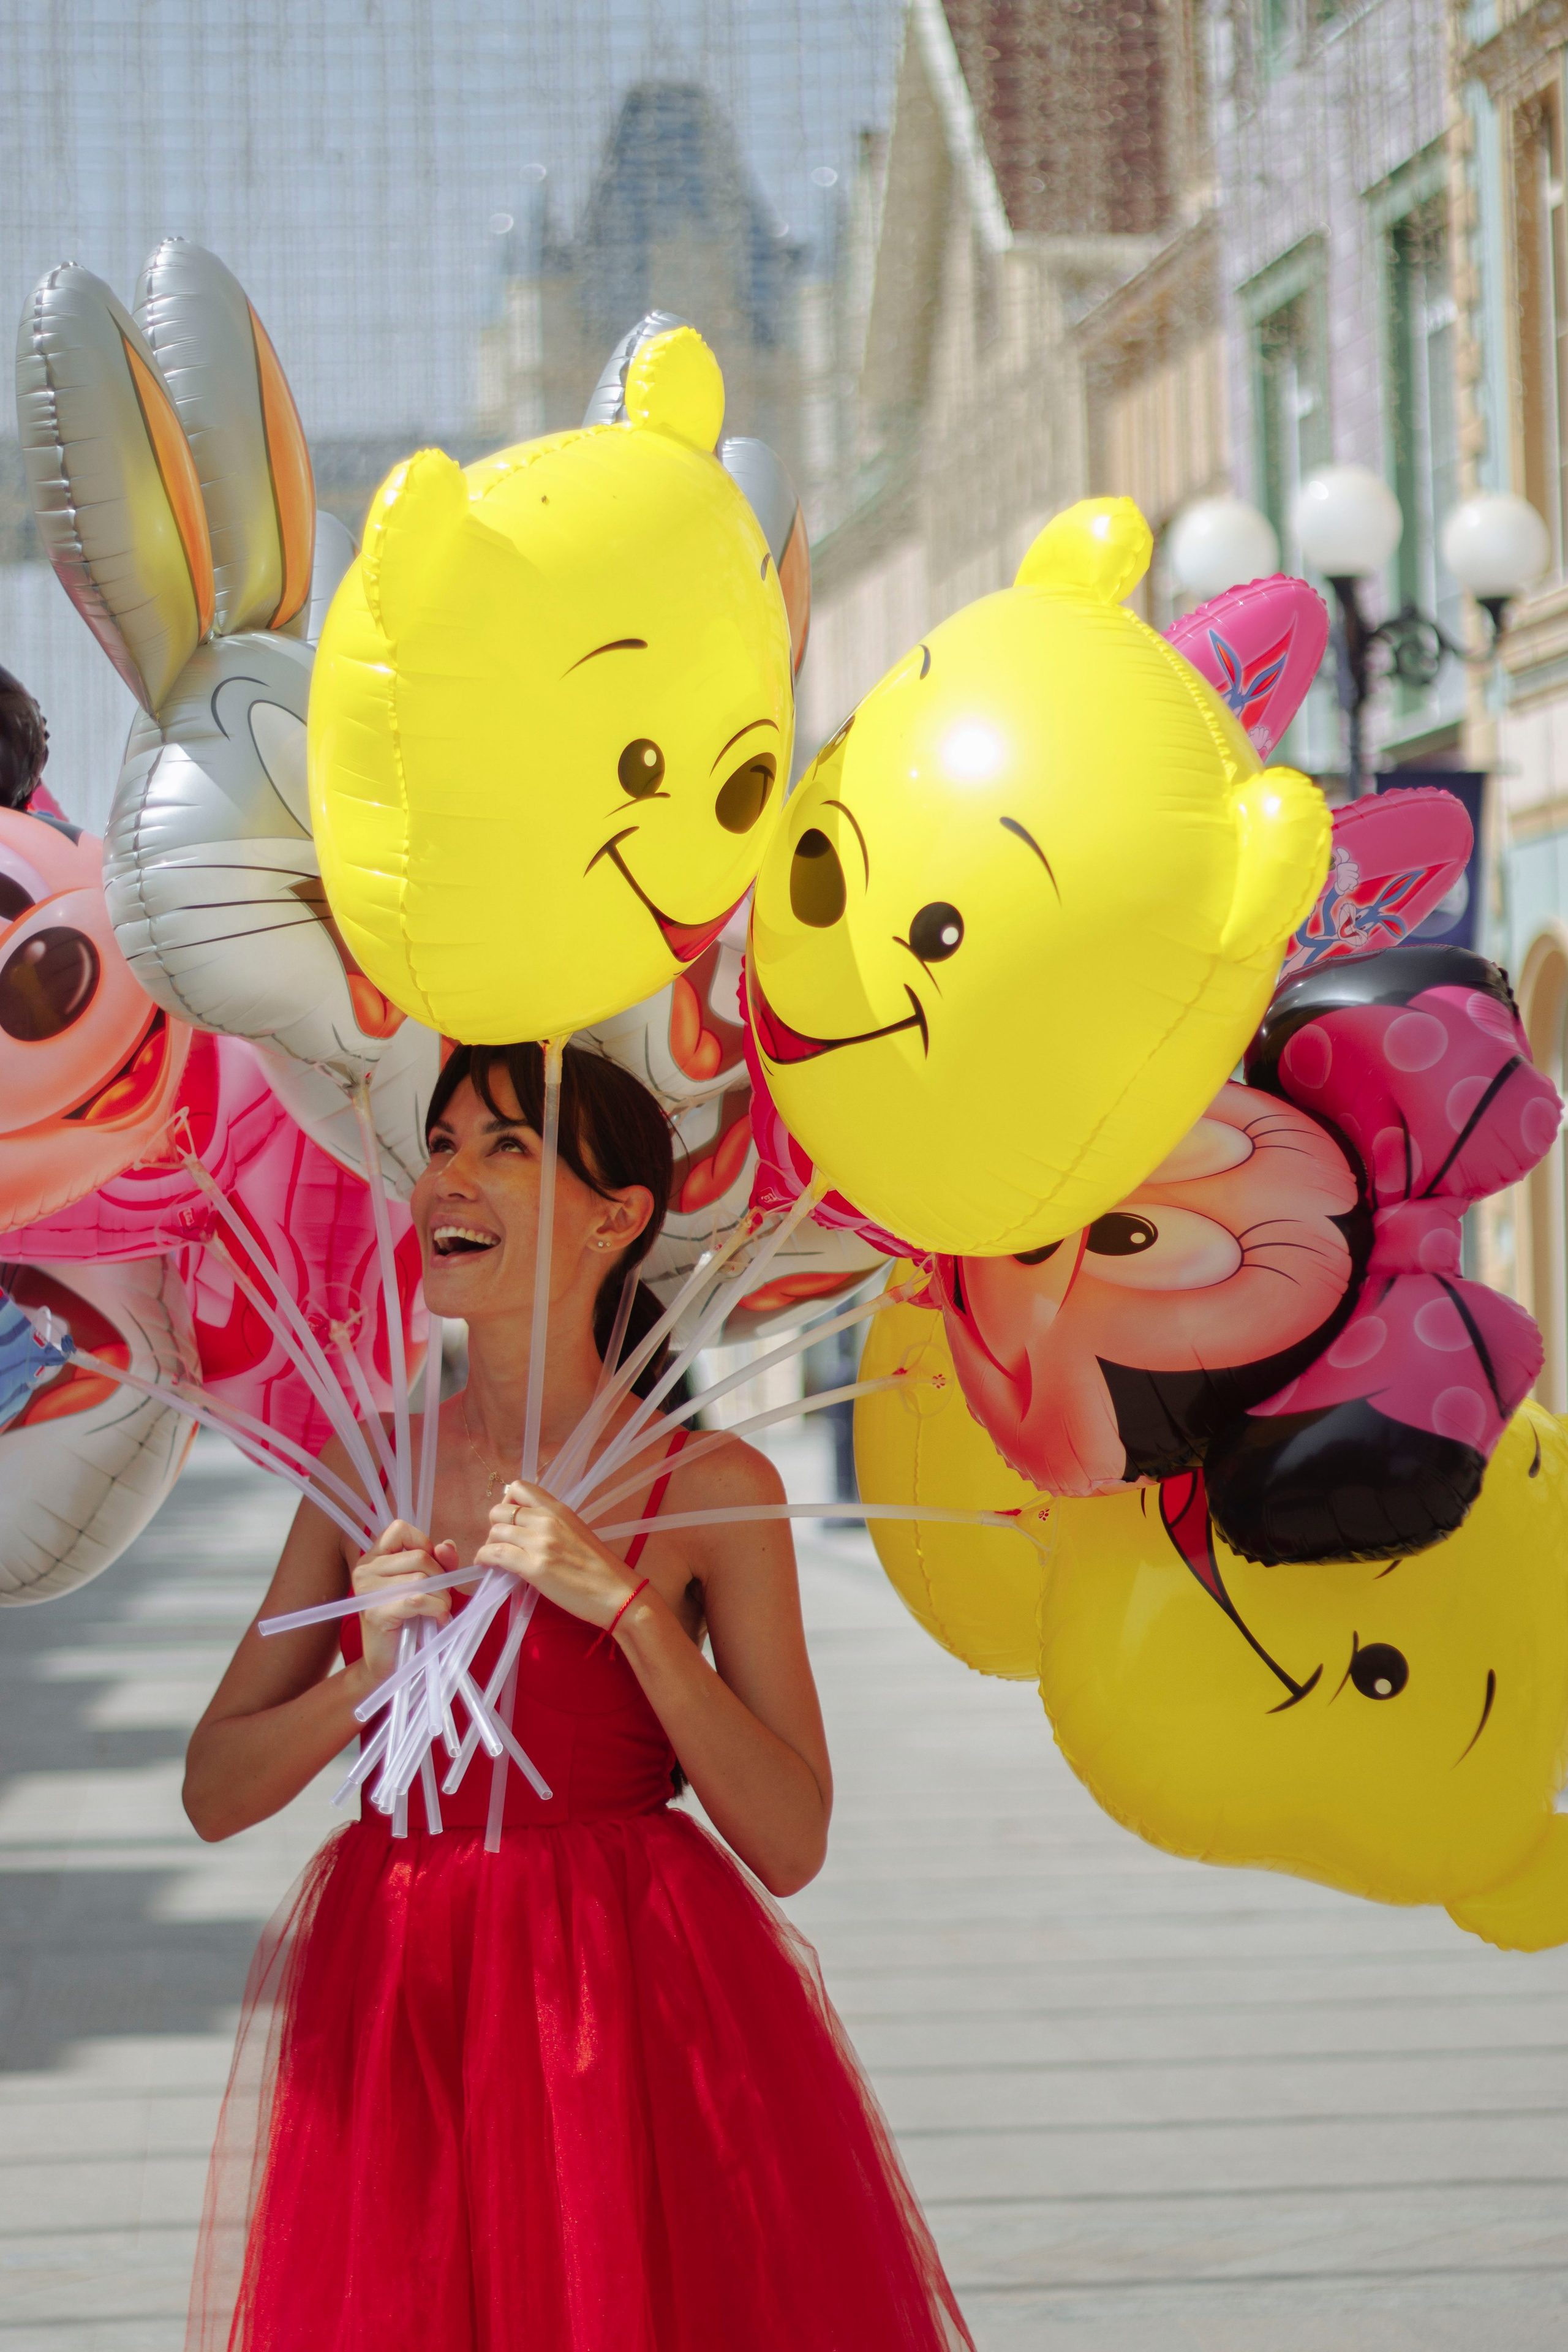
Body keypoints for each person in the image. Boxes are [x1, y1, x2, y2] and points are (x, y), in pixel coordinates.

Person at [182, 1040, 972, 2352]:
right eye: (441, 1143)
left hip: (623, 2004)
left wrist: (625, 1610)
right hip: (398, 1997)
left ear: (618, 1218)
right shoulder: (363, 1466)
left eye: (504, 1148)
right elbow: (214, 1793)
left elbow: (788, 1840)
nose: (451, 1177)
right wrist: (366, 1680)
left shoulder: (713, 1490)